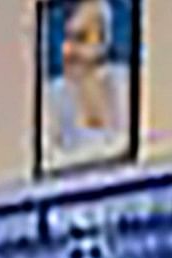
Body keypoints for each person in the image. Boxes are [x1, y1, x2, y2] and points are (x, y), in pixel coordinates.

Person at [40, 0, 136, 171]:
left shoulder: (125, 84)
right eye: (67, 38)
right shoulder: (53, 98)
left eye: (81, 39)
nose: (68, 50)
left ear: (102, 43)